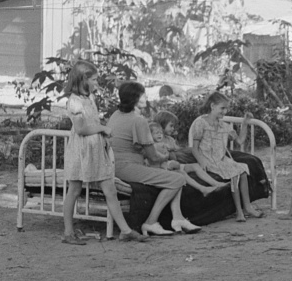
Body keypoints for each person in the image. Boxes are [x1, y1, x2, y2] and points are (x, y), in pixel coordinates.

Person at [60, 60, 147, 244]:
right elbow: (82, 129)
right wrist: (102, 129)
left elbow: (91, 122)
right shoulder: (74, 102)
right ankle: (68, 232)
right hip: (81, 151)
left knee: (110, 189)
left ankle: (125, 230)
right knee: (74, 189)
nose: (96, 83)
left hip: (96, 150)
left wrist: (103, 136)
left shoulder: (89, 99)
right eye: (93, 79)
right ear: (83, 79)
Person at [107, 81, 202, 235]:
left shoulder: (116, 115)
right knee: (177, 179)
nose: (146, 97)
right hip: (125, 167)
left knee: (175, 176)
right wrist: (166, 156)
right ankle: (151, 222)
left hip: (113, 165)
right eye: (143, 94)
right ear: (136, 98)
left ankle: (178, 218)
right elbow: (153, 157)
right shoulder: (138, 120)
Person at [189, 92, 263, 222]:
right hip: (208, 160)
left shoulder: (224, 126)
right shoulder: (201, 123)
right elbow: (194, 148)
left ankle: (247, 207)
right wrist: (201, 161)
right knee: (235, 173)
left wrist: (244, 123)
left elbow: (239, 141)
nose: (225, 111)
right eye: (222, 108)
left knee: (243, 170)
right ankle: (239, 211)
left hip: (221, 159)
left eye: (226, 108)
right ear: (212, 106)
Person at [147, 112, 228, 197]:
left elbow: (175, 154)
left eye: (173, 126)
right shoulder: (155, 140)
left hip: (173, 163)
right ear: (162, 124)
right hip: (163, 167)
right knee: (180, 172)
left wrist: (173, 149)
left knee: (195, 166)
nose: (173, 129)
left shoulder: (170, 139)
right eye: (171, 126)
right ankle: (202, 189)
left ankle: (216, 183)